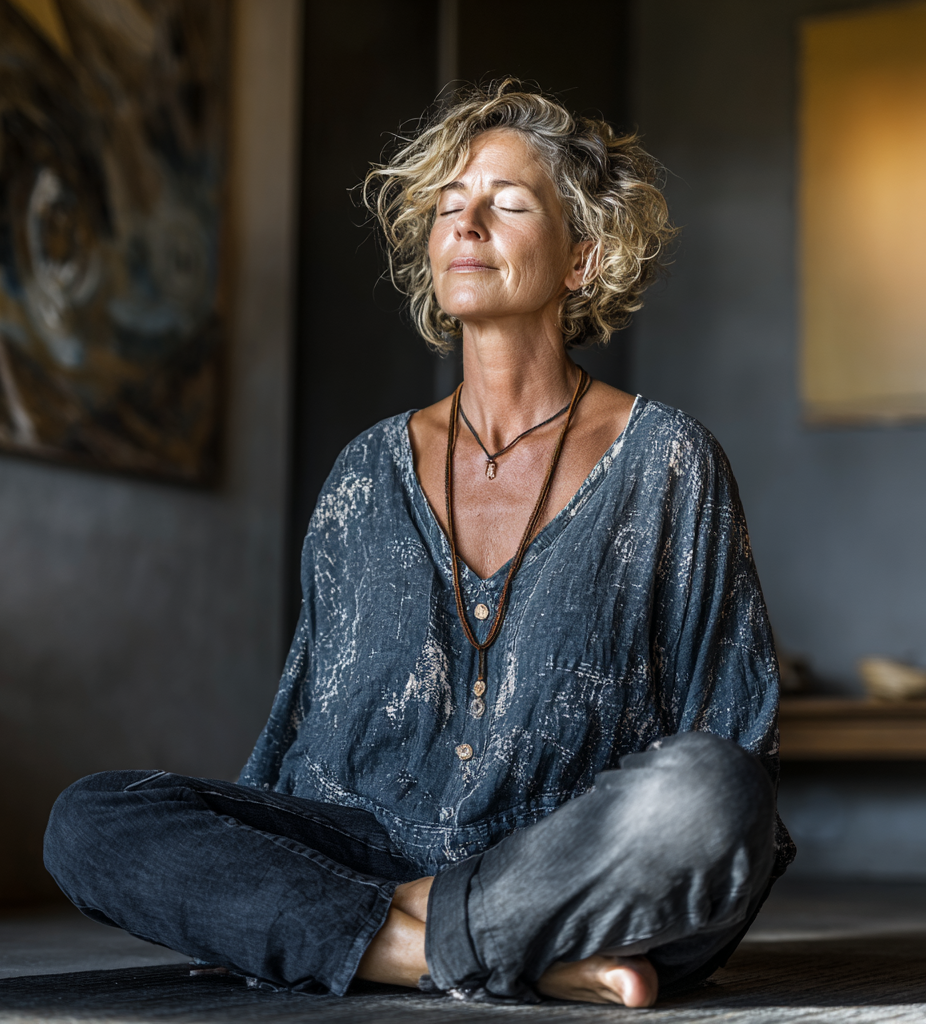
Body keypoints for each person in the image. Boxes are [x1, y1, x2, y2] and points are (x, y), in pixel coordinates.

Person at [44, 81, 794, 1008]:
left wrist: (274, 916)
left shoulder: (669, 460)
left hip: (567, 863)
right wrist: (242, 866)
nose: (464, 224)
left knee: (713, 793)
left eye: (506, 204)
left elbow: (733, 744)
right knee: (89, 821)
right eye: (449, 206)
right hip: (370, 843)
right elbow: (292, 742)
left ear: (584, 260)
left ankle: (381, 932)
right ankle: (490, 959)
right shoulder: (365, 471)